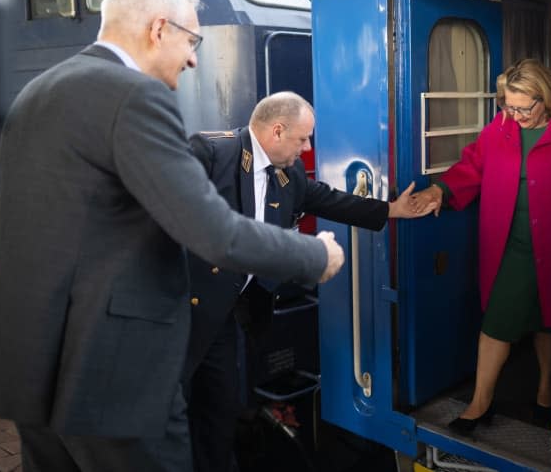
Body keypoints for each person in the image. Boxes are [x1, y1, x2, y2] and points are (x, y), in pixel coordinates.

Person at [0, 0, 344, 472]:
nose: (194, 57)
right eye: (191, 40)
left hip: (27, 354)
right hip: (109, 371)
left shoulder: (37, 93)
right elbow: (211, 230)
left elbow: (11, 231)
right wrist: (314, 255)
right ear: (158, 29)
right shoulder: (134, 96)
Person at [183, 91, 434, 472]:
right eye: (303, 138)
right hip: (184, 311)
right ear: (277, 131)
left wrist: (390, 210)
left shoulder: (289, 172)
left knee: (220, 411)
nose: (308, 146)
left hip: (230, 316)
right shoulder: (211, 153)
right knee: (169, 410)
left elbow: (327, 199)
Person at [411, 59, 551, 434]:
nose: (515, 114)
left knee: (548, 319)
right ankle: (480, 404)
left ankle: (546, 389)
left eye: (524, 107)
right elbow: (473, 165)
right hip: (510, 243)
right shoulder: (501, 127)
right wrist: (439, 190)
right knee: (496, 321)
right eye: (508, 105)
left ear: (545, 99)